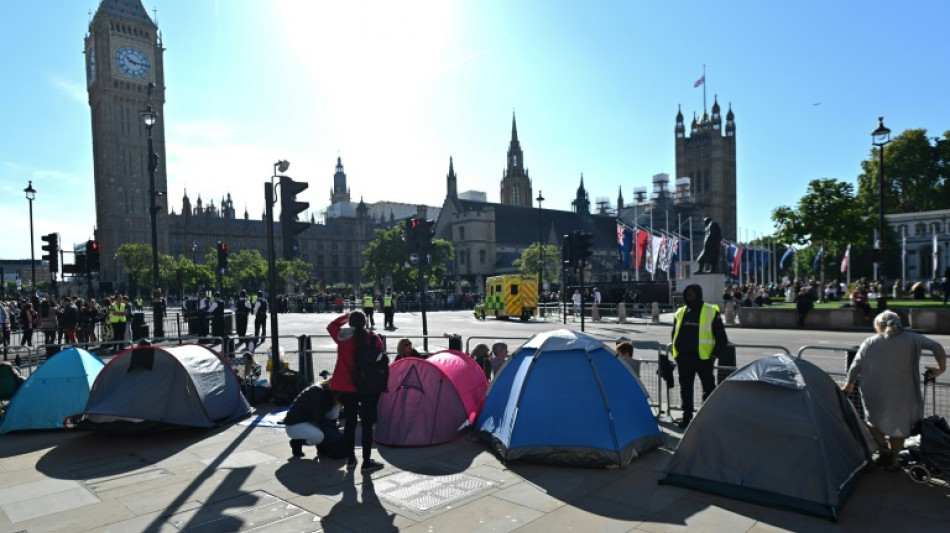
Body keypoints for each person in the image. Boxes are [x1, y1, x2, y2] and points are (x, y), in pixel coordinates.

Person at [843, 311, 946, 471]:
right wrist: (940, 369)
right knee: (899, 428)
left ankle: (883, 447)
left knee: (871, 421)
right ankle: (893, 461)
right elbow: (936, 346)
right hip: (905, 392)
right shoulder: (913, 338)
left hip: (874, 391)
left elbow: (856, 365)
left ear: (879, 325)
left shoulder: (870, 342)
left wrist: (849, 385)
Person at [327, 311, 386, 473]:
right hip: (368, 387)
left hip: (347, 387)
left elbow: (331, 326)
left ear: (350, 323)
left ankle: (351, 458)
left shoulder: (342, 336)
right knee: (367, 425)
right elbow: (380, 358)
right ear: (365, 323)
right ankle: (367, 461)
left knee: (350, 424)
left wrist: (346, 315)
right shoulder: (374, 338)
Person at [671, 283, 729, 428]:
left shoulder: (710, 311)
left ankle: (708, 418)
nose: (689, 295)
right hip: (684, 358)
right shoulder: (680, 312)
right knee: (685, 390)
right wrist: (676, 354)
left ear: (699, 294)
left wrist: (714, 355)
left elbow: (722, 338)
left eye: (692, 292)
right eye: (687, 293)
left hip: (704, 358)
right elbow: (674, 334)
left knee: (708, 389)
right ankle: (686, 417)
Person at [284, 379, 341, 458]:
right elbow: (318, 417)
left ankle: (321, 448)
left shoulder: (325, 392)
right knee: (318, 436)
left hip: (308, 421)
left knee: (333, 413)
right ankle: (297, 442)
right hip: (294, 425)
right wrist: (334, 429)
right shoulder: (317, 391)